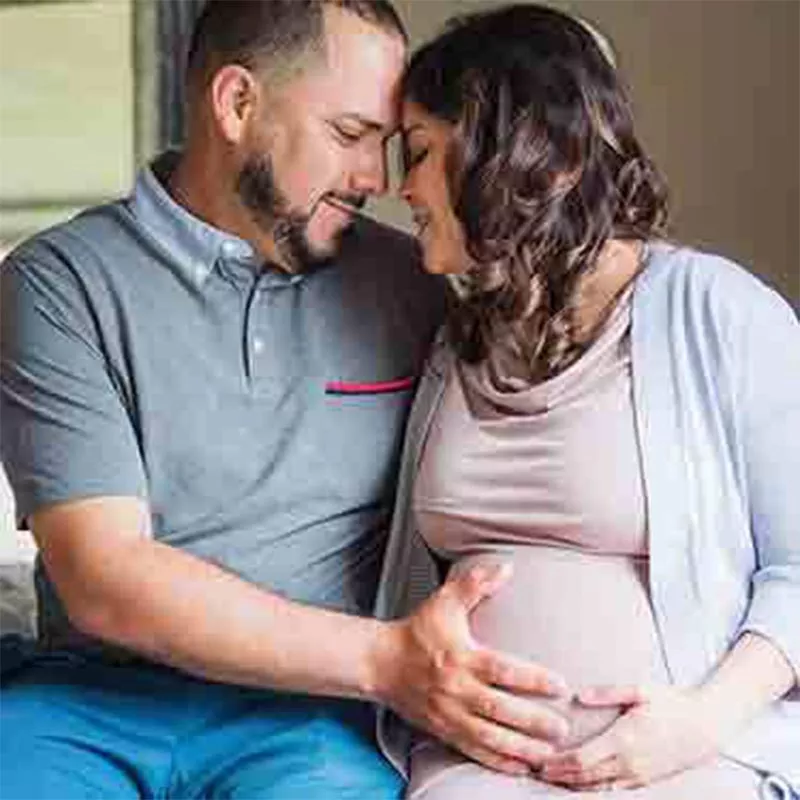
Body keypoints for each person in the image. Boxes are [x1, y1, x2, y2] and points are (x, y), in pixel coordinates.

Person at [0, 2, 577, 798]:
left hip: (314, 721)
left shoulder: (414, 284)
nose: (376, 179)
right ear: (237, 104)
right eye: (349, 136)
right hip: (87, 703)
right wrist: (389, 661)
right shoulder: (58, 285)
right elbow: (104, 576)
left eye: (388, 146)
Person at [374, 4, 800, 798]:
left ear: (519, 154)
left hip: (688, 758)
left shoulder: (719, 310)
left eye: (424, 153)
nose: (402, 188)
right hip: (472, 766)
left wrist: (698, 724)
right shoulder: (450, 345)